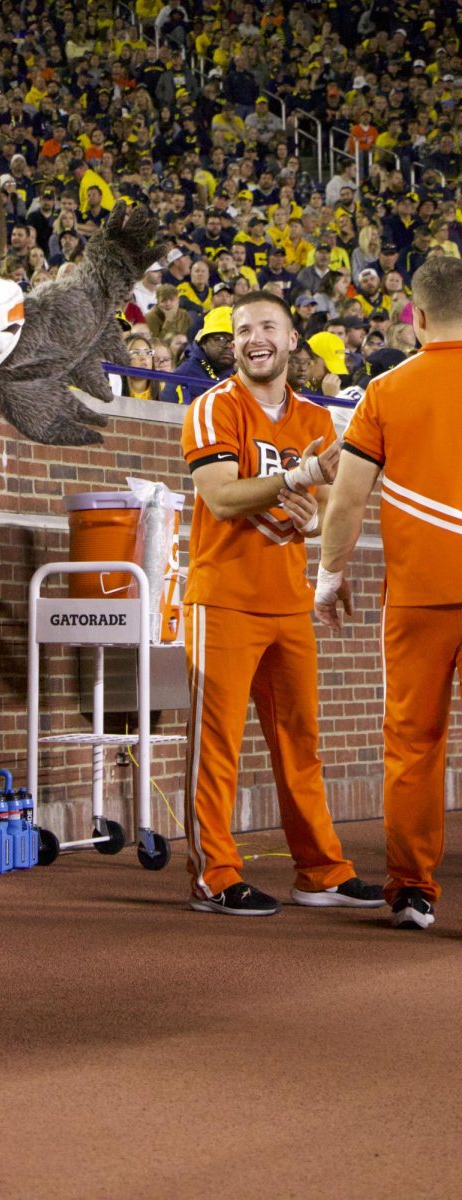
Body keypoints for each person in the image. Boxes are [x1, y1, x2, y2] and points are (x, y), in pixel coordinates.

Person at [179, 291, 384, 916]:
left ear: (294, 340)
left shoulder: (317, 420)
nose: (254, 337)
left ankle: (321, 870)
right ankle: (215, 873)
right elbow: (219, 497)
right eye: (242, 330)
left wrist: (311, 518)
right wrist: (296, 482)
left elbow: (321, 514)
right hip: (224, 597)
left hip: (286, 597)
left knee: (301, 740)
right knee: (216, 745)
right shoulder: (214, 405)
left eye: (268, 326)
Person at [314, 257, 462, 931]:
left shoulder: (386, 389)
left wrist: (331, 576)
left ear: (418, 315)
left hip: (417, 598)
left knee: (412, 742)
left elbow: (345, 500)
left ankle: (412, 889)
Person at [160, 305, 235, 404]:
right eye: (220, 339)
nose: (229, 346)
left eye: (234, 340)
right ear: (203, 342)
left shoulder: (240, 376)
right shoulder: (182, 377)